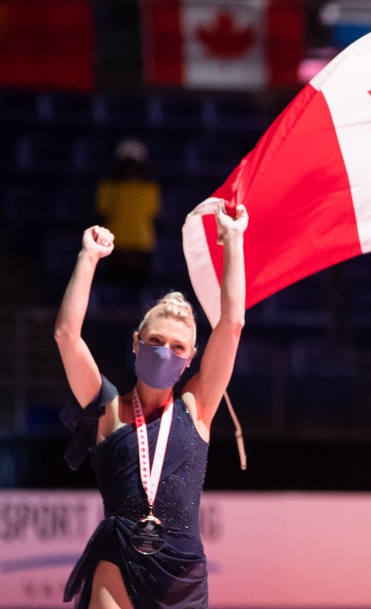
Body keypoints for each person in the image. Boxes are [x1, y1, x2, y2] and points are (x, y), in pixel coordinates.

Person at [55, 201, 247, 608]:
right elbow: (67, 336)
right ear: (136, 343)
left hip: (182, 572)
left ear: (190, 359)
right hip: (119, 558)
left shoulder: (197, 408)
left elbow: (231, 325)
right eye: (156, 342)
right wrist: (88, 257)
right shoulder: (107, 408)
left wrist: (233, 240)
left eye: (178, 347)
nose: (165, 352)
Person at [95, 138, 162, 294]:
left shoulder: (150, 189)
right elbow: (102, 210)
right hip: (114, 243)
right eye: (126, 163)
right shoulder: (108, 187)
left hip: (142, 244)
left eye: (134, 163)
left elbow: (154, 212)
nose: (130, 167)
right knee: (114, 288)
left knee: (140, 289)